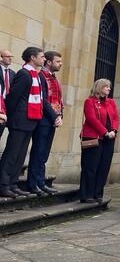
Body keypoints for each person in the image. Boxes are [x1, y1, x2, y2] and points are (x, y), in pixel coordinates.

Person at [0, 47, 60, 198]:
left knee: (20, 156)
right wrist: (12, 118)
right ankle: (3, 185)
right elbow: (13, 98)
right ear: (32, 58)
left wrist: (54, 116)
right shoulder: (24, 74)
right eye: (41, 57)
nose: (44, 59)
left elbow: (41, 100)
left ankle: (13, 184)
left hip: (31, 121)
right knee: (11, 154)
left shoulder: (37, 76)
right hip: (20, 121)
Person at [27, 51, 64, 195]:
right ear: (49, 62)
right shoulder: (41, 76)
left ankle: (41, 182)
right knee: (38, 152)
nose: (60, 64)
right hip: (43, 119)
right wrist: (55, 116)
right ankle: (33, 183)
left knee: (44, 154)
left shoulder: (54, 78)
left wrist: (60, 115)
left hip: (52, 120)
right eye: (58, 61)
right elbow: (43, 100)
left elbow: (59, 99)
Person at [79, 78, 119, 203]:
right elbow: (91, 119)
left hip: (109, 139)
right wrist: (104, 132)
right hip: (94, 138)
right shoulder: (89, 102)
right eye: (106, 86)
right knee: (91, 166)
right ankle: (87, 194)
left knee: (104, 166)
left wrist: (114, 131)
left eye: (109, 87)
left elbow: (116, 117)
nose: (109, 89)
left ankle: (98, 193)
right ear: (99, 88)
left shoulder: (111, 102)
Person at [0, 49, 15, 138]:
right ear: (1, 57)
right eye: (7, 56)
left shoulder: (13, 73)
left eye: (11, 57)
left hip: (9, 104)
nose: (10, 58)